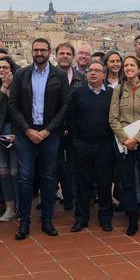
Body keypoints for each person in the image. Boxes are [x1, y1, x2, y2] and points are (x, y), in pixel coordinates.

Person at [10, 38, 71, 239]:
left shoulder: (59, 76)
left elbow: (64, 107)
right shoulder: (21, 75)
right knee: (25, 178)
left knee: (48, 178)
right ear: (32, 52)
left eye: (42, 50)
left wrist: (47, 131)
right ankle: (24, 222)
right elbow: (13, 105)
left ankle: (47, 220)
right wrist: (27, 130)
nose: (39, 53)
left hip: (49, 135)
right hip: (26, 134)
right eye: (36, 50)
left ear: (49, 52)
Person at [110, 55, 140, 235]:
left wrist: (137, 139)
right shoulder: (119, 90)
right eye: (126, 65)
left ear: (139, 69)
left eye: (132, 65)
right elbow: (113, 118)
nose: (129, 68)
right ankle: (132, 218)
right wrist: (125, 139)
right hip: (124, 143)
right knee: (127, 180)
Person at [67, 60, 116, 232]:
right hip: (83, 146)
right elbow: (70, 119)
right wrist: (76, 141)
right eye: (90, 70)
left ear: (104, 75)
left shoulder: (111, 94)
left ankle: (106, 218)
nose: (93, 73)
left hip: (105, 146)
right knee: (82, 184)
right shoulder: (78, 93)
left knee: (104, 183)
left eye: (97, 70)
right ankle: (81, 218)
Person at [54, 42, 85, 211]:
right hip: (54, 129)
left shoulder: (82, 78)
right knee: (56, 164)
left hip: (76, 129)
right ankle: (64, 196)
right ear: (56, 55)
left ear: (72, 57)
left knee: (76, 164)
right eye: (62, 53)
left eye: (68, 53)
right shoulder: (49, 76)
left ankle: (74, 197)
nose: (65, 56)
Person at [0, 57, 18, 222]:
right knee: (4, 172)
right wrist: (3, 88)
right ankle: (9, 207)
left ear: (12, 69)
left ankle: (21, 206)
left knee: (15, 172)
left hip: (15, 133)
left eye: (5, 67)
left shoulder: (19, 86)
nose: (2, 70)